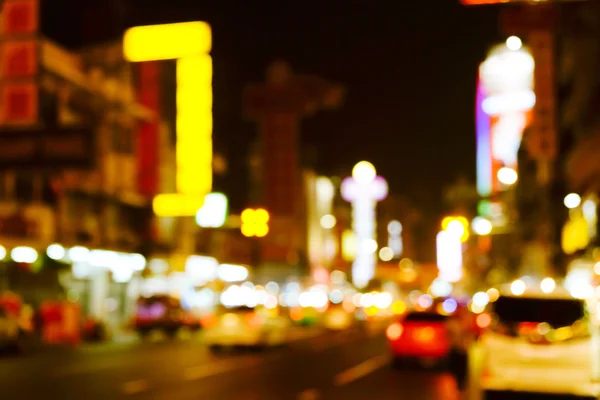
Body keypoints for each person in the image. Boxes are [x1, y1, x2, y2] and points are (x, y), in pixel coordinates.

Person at [447, 305, 475, 399]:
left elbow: (472, 334)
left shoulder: (467, 322)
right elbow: (451, 335)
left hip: (464, 351)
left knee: (463, 374)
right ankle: (457, 390)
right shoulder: (452, 323)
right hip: (455, 350)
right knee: (455, 372)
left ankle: (461, 392)